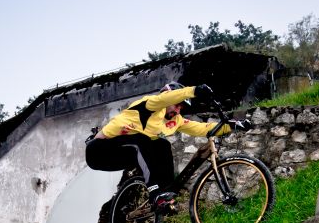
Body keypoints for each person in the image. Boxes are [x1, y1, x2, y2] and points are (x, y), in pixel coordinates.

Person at [85, 82, 250, 210]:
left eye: (181, 108)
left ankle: (166, 193)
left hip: (122, 153)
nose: (178, 110)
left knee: (162, 144)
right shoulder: (151, 104)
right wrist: (194, 91)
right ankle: (155, 191)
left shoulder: (174, 120)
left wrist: (233, 125)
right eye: (177, 105)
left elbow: (201, 128)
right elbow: (164, 99)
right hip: (99, 151)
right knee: (141, 141)